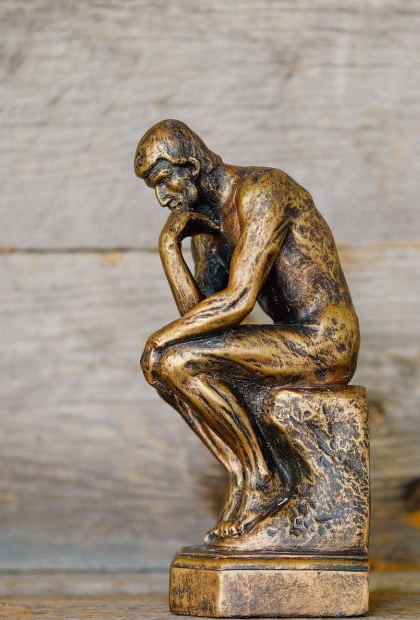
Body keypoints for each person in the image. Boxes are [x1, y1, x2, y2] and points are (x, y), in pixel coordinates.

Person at [135, 120, 360, 544]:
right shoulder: (207, 225)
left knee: (172, 355)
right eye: (154, 188)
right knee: (164, 367)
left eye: (165, 181)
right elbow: (201, 319)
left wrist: (159, 338)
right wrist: (170, 250)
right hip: (288, 339)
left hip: (324, 340)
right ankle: (245, 476)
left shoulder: (262, 190)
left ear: (192, 164)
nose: (163, 197)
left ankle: (263, 480)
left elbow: (237, 301)